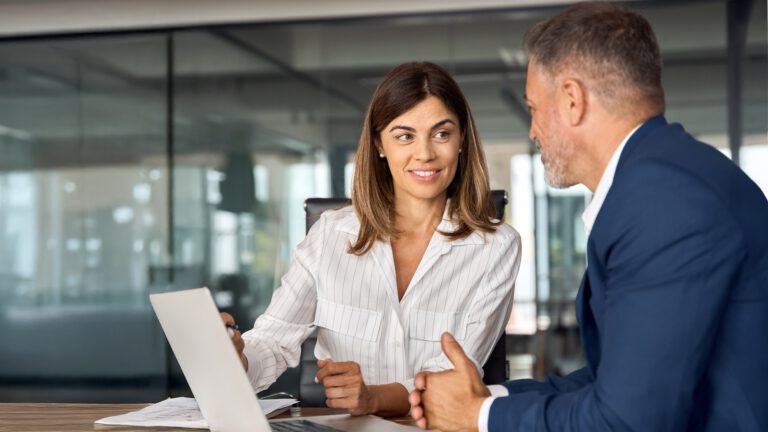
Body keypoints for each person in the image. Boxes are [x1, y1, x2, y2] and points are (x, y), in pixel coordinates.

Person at [408, 2, 768, 431]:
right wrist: (488, 398)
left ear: (572, 100)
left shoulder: (662, 201)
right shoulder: (668, 177)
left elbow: (626, 420)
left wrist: (478, 416)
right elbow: (615, 382)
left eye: (533, 108)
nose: (532, 131)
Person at [221, 61, 521, 417]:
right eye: (405, 136)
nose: (425, 153)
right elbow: (272, 342)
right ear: (380, 143)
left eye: (441, 134)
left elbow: (455, 376)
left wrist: (374, 398)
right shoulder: (330, 235)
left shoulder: (497, 247)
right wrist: (236, 356)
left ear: (461, 140)